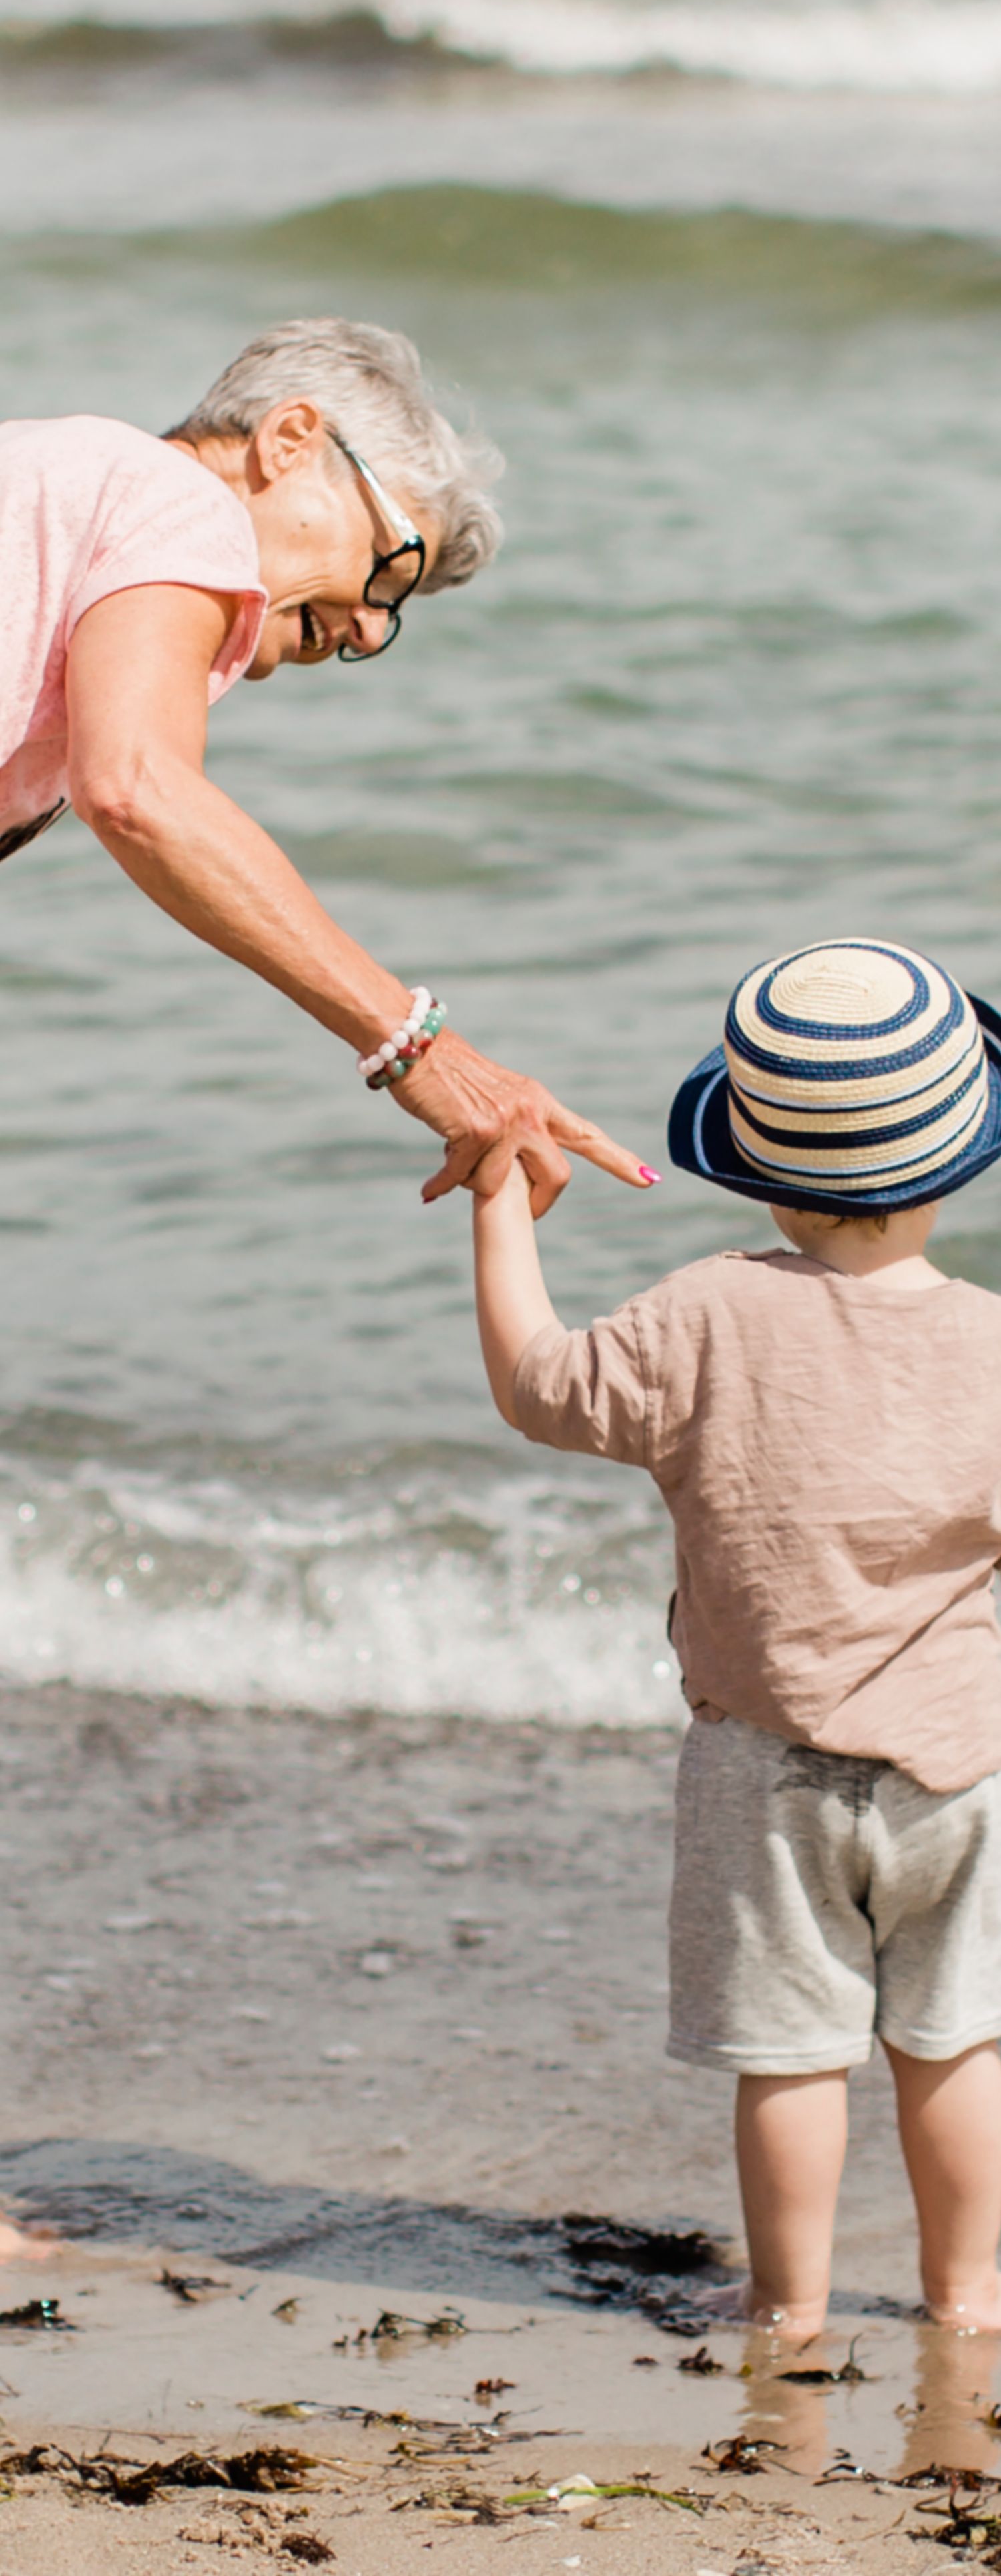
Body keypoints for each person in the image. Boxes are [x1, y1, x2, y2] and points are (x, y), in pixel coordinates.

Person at [472, 937, 1001, 2337]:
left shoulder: (707, 1312)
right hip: (967, 1770)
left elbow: (539, 1386)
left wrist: (499, 1207)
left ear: (756, 1161)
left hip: (762, 1770)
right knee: (956, 2043)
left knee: (791, 2058)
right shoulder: (995, 1345)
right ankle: (969, 2295)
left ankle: (790, 2304)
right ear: (954, 1164)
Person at [0, 318, 649, 1211]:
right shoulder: (179, 499)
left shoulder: (57, 486)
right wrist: (420, 1049)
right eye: (391, 566)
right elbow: (140, 791)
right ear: (290, 441)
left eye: (397, 607)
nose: (372, 626)